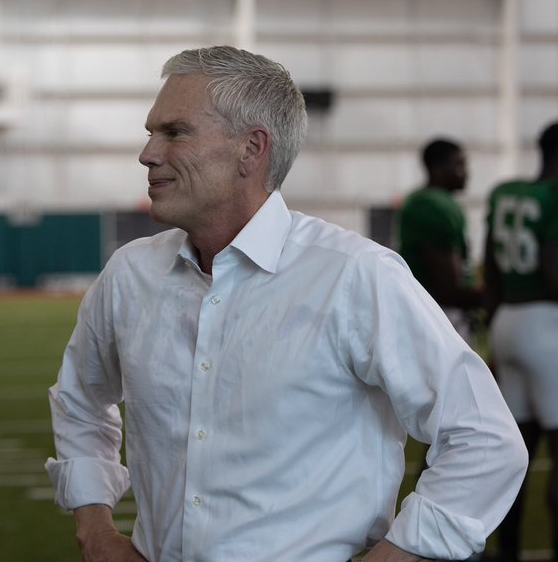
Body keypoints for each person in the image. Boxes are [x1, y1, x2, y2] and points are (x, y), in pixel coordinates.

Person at [47, 46, 527, 562]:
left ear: (251, 150)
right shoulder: (130, 274)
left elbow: (485, 440)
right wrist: (95, 530)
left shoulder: (353, 275)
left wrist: (398, 554)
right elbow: (80, 400)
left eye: (175, 132)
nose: (148, 153)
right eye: (151, 131)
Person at [483, 120, 558, 562]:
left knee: (517, 454)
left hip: (508, 321)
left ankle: (506, 550)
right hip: (547, 326)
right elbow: (553, 272)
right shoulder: (553, 197)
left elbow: (491, 270)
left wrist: (494, 333)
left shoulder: (507, 193)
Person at [397, 138, 485, 343]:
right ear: (437, 169)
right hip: (441, 316)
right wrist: (496, 297)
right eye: (459, 165)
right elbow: (448, 288)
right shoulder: (434, 206)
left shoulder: (419, 200)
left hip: (428, 313)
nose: (466, 172)